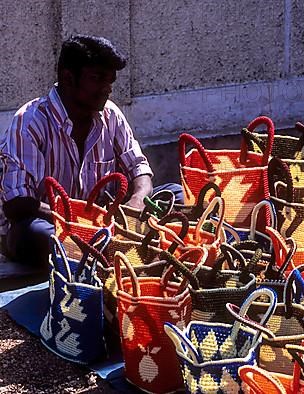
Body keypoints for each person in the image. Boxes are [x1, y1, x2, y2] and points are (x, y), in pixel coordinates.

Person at [0, 35, 182, 267]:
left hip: (107, 223)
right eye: (97, 79)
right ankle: (112, 256)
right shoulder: (30, 121)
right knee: (37, 235)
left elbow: (139, 170)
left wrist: (136, 202)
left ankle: (110, 251)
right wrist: (82, 220)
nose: (107, 89)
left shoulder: (111, 115)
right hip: (55, 224)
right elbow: (18, 204)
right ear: (68, 78)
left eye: (110, 82)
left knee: (174, 194)